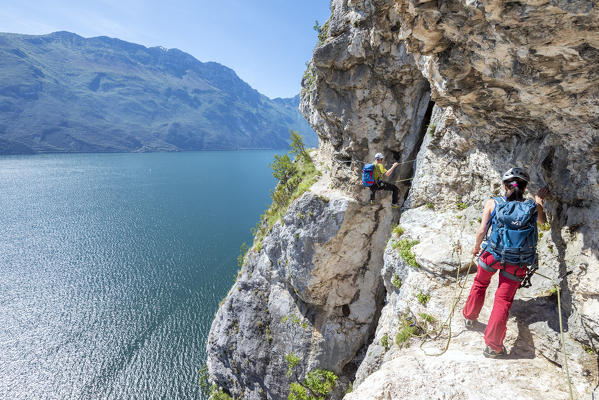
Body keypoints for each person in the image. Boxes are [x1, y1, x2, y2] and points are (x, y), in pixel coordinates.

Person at [462, 167, 548, 358]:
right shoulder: (532, 207)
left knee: (480, 283)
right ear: (524, 188)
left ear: (504, 185)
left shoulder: (494, 203)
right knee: (503, 300)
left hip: (492, 255)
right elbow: (542, 222)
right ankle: (493, 347)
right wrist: (539, 201)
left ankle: (469, 317)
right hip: (517, 262)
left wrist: (477, 247)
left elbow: (482, 230)